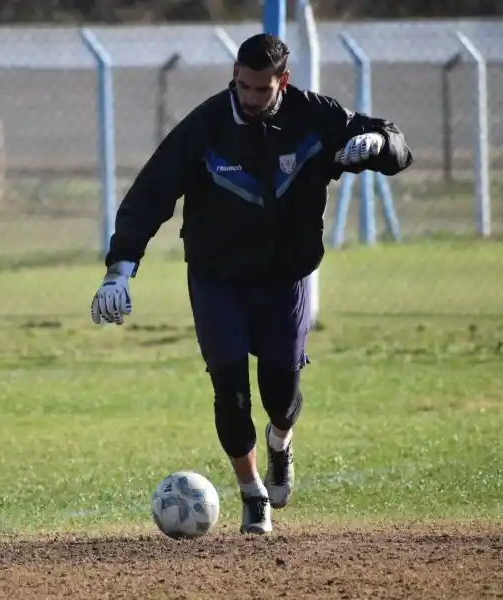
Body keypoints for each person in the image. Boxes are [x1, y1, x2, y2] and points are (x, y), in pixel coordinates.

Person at [89, 33, 413, 534]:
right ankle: (251, 491)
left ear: (281, 82)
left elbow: (395, 145)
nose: (249, 97)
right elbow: (150, 193)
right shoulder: (207, 126)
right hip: (217, 278)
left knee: (280, 394)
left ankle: (280, 442)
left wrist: (380, 144)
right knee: (230, 391)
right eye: (241, 86)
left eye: (260, 89)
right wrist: (120, 270)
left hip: (286, 278)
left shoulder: (316, 116)